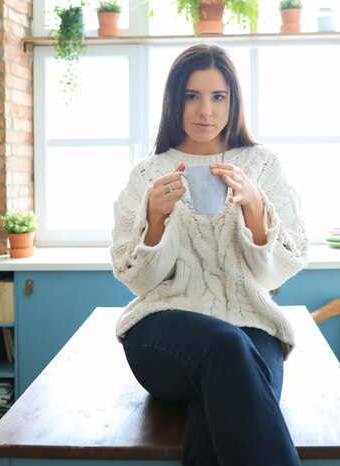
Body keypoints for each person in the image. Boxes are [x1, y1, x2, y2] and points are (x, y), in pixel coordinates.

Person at [111, 43, 308, 466]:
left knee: (214, 411)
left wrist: (256, 210)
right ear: (174, 101)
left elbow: (279, 272)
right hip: (162, 329)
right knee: (226, 347)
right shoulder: (147, 174)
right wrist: (155, 219)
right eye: (192, 96)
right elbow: (139, 281)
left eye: (218, 96)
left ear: (233, 102)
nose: (206, 110)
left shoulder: (262, 166)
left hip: (252, 325)